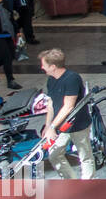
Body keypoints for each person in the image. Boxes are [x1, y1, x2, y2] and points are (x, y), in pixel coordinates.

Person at [39, 48, 94, 180]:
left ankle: (88, 184)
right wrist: (48, 126)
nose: (42, 67)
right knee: (54, 155)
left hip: (77, 124)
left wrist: (52, 127)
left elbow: (68, 106)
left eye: (44, 65)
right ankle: (71, 182)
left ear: (53, 66)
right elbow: (51, 103)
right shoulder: (51, 79)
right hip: (60, 124)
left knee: (84, 155)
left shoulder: (72, 78)